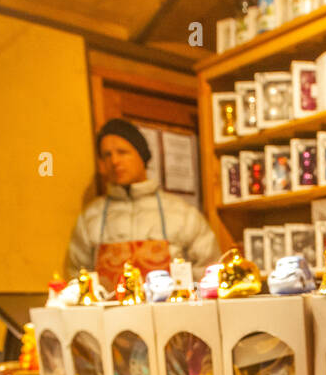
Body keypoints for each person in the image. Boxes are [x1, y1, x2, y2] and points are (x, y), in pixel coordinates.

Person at [66, 118, 220, 289]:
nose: (115, 161)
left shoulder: (182, 213)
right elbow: (76, 277)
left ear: (142, 156)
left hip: (173, 314)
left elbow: (208, 272)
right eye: (107, 155)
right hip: (111, 316)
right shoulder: (90, 218)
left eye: (122, 152)